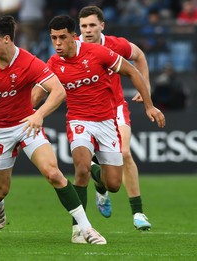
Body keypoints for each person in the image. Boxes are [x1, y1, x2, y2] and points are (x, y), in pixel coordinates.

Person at [0, 15, 107, 245]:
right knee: (0, 189)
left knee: (54, 173)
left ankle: (86, 229)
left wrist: (38, 114)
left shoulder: (29, 62)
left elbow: (58, 91)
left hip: (26, 125)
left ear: (7, 39)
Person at [32, 15, 165, 244]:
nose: (58, 43)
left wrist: (149, 104)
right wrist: (25, 111)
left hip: (106, 122)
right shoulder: (53, 64)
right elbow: (36, 94)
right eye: (53, 38)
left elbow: (133, 71)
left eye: (62, 38)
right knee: (80, 168)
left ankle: (97, 174)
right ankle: (79, 231)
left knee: (113, 185)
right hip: (78, 121)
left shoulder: (98, 53)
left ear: (74, 37)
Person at [77, 5, 155, 230]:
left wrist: (145, 86)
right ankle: (100, 188)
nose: (88, 30)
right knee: (94, 165)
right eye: (84, 26)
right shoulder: (74, 46)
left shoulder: (115, 44)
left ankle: (138, 212)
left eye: (92, 25)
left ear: (102, 25)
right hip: (85, 112)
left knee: (125, 153)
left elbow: (139, 55)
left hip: (115, 107)